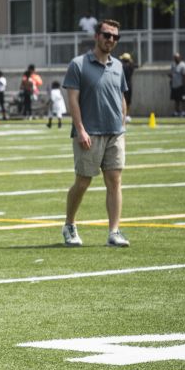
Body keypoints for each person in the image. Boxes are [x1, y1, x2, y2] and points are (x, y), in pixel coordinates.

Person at [61, 19, 130, 249]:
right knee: (83, 182)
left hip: (115, 134)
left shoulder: (119, 66)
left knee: (115, 181)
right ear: (97, 36)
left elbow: (121, 98)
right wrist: (80, 129)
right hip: (89, 134)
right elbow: (72, 100)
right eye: (107, 35)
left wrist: (122, 124)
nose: (111, 40)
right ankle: (69, 225)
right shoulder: (78, 64)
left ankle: (114, 231)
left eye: (115, 37)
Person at [169, 53, 185, 117]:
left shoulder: (183, 65)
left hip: (181, 85)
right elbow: (172, 74)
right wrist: (171, 79)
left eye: (176, 58)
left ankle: (184, 112)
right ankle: (176, 112)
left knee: (183, 99)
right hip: (174, 86)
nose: (175, 59)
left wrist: (184, 85)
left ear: (180, 58)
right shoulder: (173, 65)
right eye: (174, 58)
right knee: (176, 100)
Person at [119, 53, 136, 124]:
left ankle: (122, 115)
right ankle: (127, 115)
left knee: (122, 100)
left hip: (122, 85)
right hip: (129, 85)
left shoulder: (121, 66)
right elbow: (132, 63)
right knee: (128, 102)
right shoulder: (131, 67)